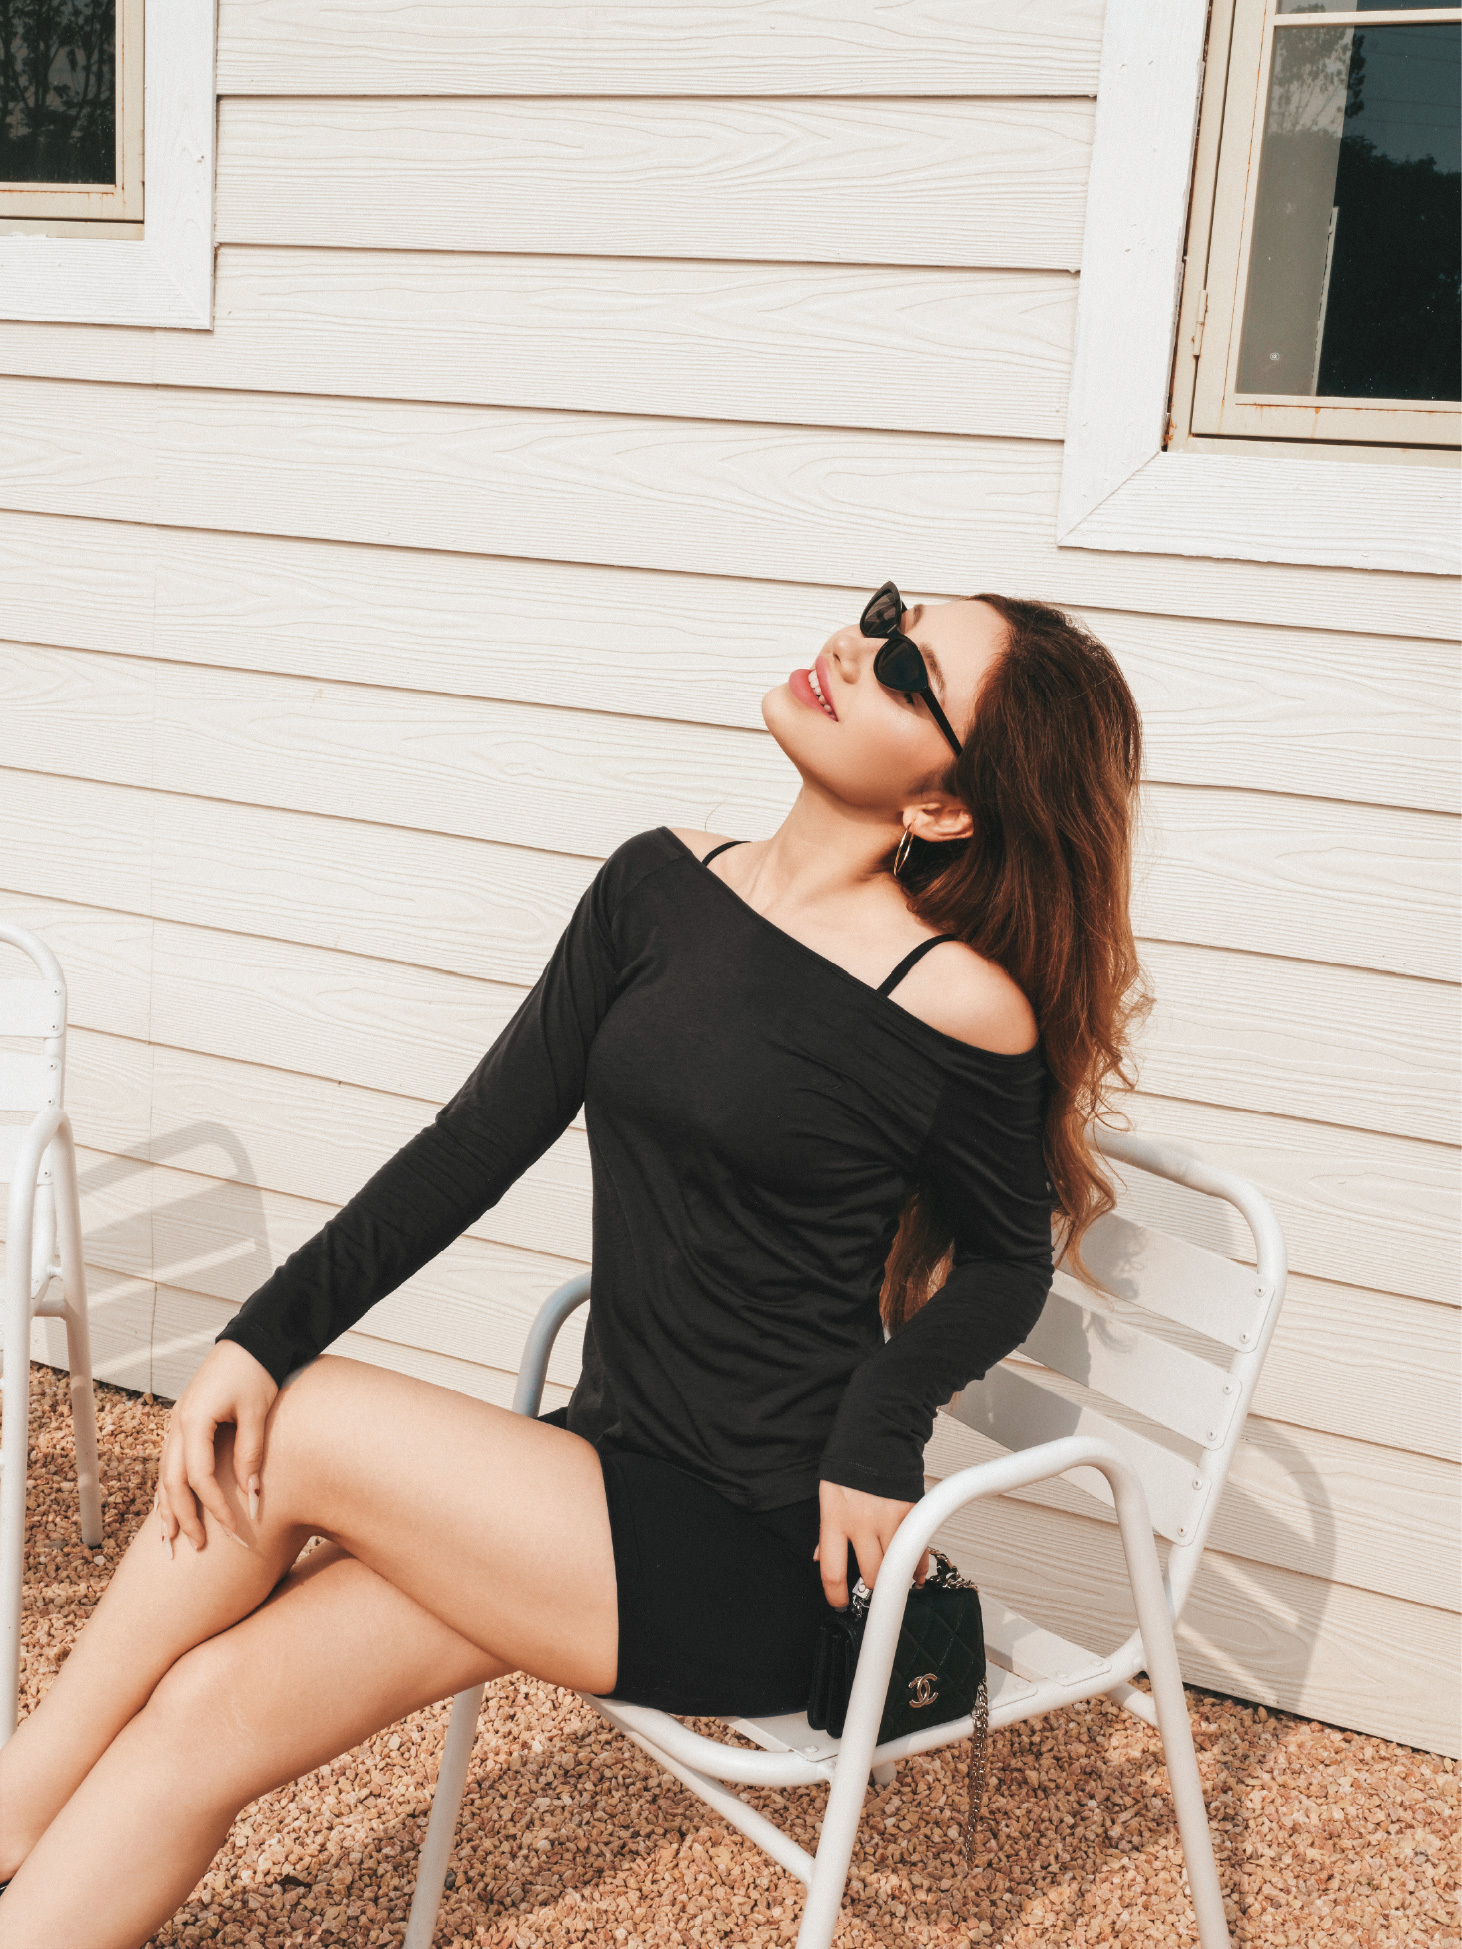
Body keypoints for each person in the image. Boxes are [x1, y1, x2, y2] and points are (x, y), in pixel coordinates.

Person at [0, 585, 1147, 1946]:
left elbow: (1009, 1261)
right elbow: (472, 1145)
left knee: (292, 1421)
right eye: (882, 613)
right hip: (595, 1472)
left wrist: (878, 1428)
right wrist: (259, 1329)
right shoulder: (655, 886)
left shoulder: (953, 1000)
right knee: (206, 1710)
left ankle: (13, 1805)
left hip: (750, 1542)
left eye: (908, 669)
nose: (857, 645)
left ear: (944, 807)